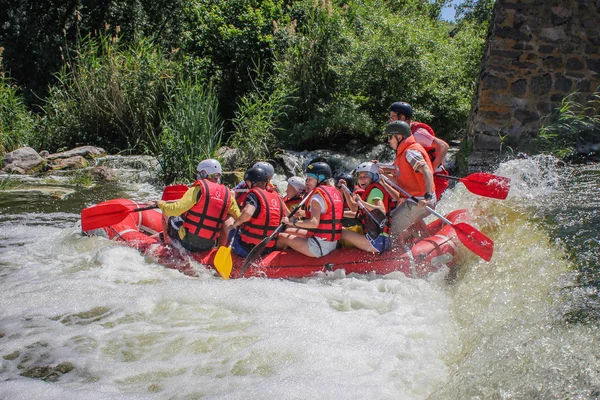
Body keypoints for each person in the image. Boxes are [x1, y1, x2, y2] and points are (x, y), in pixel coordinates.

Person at [155, 159, 240, 251]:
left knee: (169, 217)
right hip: (209, 243)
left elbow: (175, 209)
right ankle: (220, 247)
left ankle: (167, 244)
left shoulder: (198, 189)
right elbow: (239, 217)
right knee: (227, 216)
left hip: (188, 241)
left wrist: (161, 204)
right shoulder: (228, 195)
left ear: (204, 173)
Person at [379, 121, 436, 241]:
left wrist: (428, 197)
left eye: (390, 137)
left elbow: (426, 170)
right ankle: (420, 240)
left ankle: (390, 253)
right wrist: (381, 172)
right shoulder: (404, 152)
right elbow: (400, 179)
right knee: (390, 219)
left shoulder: (410, 152)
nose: (389, 141)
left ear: (399, 137)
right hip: (414, 200)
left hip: (419, 202)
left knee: (389, 229)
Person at [276, 162, 343, 258]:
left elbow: (313, 223)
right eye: (307, 179)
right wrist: (306, 213)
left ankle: (274, 264)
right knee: (289, 231)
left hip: (318, 247)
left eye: (310, 179)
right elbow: (327, 213)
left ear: (320, 179)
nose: (307, 182)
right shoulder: (335, 192)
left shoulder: (316, 197)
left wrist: (292, 222)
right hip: (330, 242)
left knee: (281, 237)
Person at [389, 101, 450, 200]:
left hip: (436, 177)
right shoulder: (402, 133)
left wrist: (431, 170)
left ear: (403, 118)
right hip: (420, 174)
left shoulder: (418, 134)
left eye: (392, 117)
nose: (390, 121)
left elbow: (443, 146)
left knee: (427, 209)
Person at [339, 162, 395, 253]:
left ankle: (333, 255)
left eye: (365, 176)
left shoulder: (375, 191)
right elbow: (354, 208)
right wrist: (344, 189)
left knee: (340, 232)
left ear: (373, 177)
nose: (361, 180)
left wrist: (362, 202)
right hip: (377, 239)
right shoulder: (368, 193)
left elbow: (381, 210)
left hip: (377, 241)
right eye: (360, 177)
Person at [230, 167, 286, 258]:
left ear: (250, 182)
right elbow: (287, 217)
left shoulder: (253, 195)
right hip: (267, 249)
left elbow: (248, 213)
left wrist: (236, 223)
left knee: (228, 222)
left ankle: (220, 251)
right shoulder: (278, 197)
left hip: (248, 249)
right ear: (265, 183)